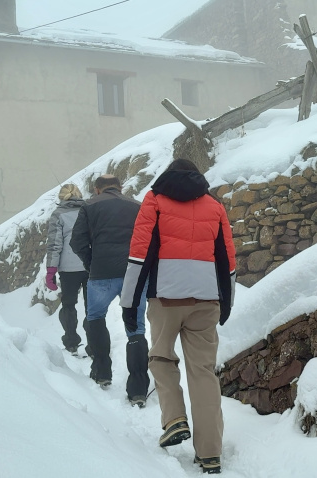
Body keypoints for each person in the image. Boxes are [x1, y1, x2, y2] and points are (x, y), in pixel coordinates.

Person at [120, 158, 236, 475]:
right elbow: (227, 258)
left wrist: (129, 302)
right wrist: (227, 302)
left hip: (166, 297)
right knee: (203, 373)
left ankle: (174, 419)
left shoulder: (155, 201)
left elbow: (139, 253)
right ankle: (210, 453)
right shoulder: (215, 206)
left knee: (161, 357)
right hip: (206, 300)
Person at [70, 174, 149, 407]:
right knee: (136, 328)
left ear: (97, 189)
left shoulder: (89, 206)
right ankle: (138, 389)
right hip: (133, 273)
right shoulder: (136, 206)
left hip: (101, 272)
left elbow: (77, 241)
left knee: (95, 318)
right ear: (120, 187)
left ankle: (101, 371)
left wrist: (91, 262)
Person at [45, 183, 89, 355]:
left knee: (69, 305)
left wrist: (51, 270)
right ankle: (94, 343)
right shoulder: (89, 210)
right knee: (92, 307)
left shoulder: (58, 215)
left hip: (68, 268)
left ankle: (71, 342)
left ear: (61, 197)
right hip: (90, 264)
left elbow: (55, 244)